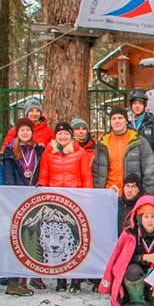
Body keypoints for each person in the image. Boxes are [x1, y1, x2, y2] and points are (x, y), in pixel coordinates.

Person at [38, 122, 93, 292]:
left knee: (75, 240)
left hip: (75, 200)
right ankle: (60, 279)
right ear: (56, 136)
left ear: (71, 136)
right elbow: (44, 176)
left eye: (66, 134)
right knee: (57, 240)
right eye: (60, 134)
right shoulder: (48, 154)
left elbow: (86, 176)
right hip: (56, 202)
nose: (63, 137)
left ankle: (76, 280)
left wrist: (88, 197)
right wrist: (43, 195)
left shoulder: (80, 153)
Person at [0, 117, 44, 296]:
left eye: (28, 130)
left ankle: (28, 277)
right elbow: (8, 176)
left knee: (32, 236)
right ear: (17, 132)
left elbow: (42, 171)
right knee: (17, 238)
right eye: (22, 130)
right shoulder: (10, 152)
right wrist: (14, 195)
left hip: (34, 198)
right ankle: (14, 281)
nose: (25, 133)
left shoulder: (39, 150)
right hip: (17, 199)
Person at [93, 107, 154, 197]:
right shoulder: (103, 143)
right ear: (110, 122)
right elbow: (96, 171)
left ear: (126, 121)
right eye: (114, 119)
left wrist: (148, 194)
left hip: (132, 195)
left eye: (120, 118)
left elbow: (149, 169)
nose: (117, 121)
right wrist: (99, 192)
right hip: (109, 194)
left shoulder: (139, 141)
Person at [128, 88, 154, 177]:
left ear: (144, 105)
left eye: (140, 103)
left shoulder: (151, 121)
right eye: (135, 103)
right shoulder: (126, 121)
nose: (137, 106)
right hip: (129, 164)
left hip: (147, 165)